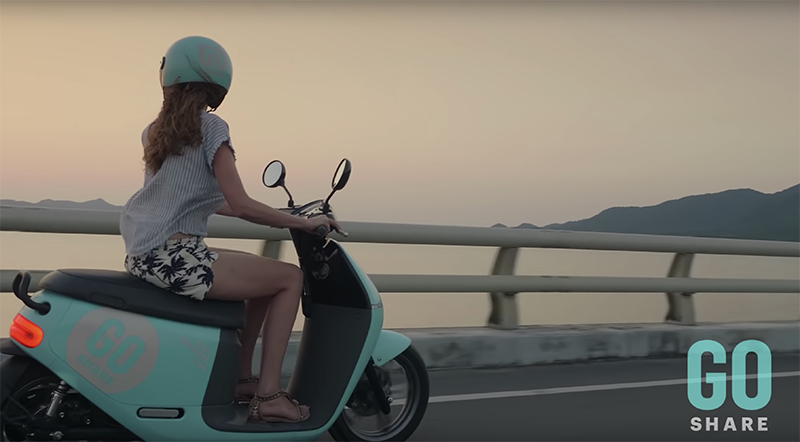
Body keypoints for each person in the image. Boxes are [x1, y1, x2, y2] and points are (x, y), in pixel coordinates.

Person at [119, 36, 339, 424]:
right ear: (218, 85)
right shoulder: (211, 126)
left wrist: (268, 214)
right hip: (177, 258)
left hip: (146, 255)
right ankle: (269, 395)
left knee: (259, 275)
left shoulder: (154, 132)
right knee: (289, 277)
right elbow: (240, 203)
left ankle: (241, 377)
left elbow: (193, 199)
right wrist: (304, 222)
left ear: (168, 79)